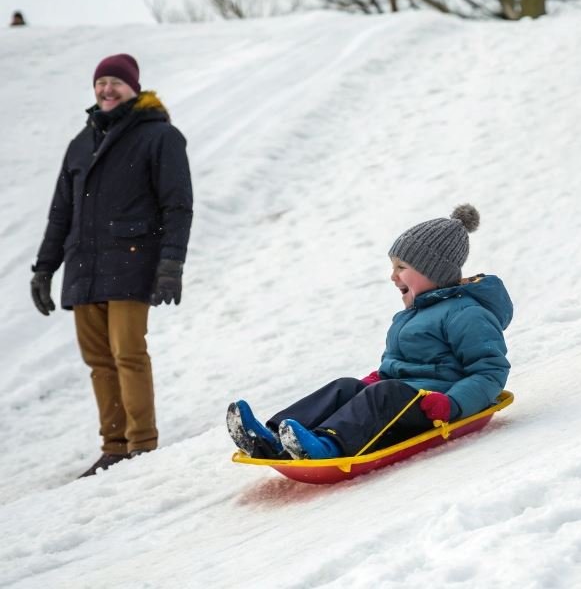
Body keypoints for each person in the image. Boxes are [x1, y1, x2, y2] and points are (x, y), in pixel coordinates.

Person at [227, 204, 512, 460]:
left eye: (402, 267)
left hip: (434, 408)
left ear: (433, 272)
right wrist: (379, 377)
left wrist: (452, 404)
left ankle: (327, 445)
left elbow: (490, 372)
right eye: (393, 267)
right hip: (402, 398)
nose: (393, 276)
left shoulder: (466, 313)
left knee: (385, 393)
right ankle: (273, 437)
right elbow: (401, 365)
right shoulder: (413, 315)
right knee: (346, 386)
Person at [31, 54, 193, 477]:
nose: (106, 89)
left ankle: (142, 442)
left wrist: (170, 264)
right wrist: (44, 268)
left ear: (133, 88)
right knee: (99, 361)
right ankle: (114, 445)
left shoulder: (160, 136)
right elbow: (59, 214)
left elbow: (178, 206)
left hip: (131, 263)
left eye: (115, 83)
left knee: (128, 353)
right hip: (84, 267)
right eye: (101, 82)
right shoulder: (80, 144)